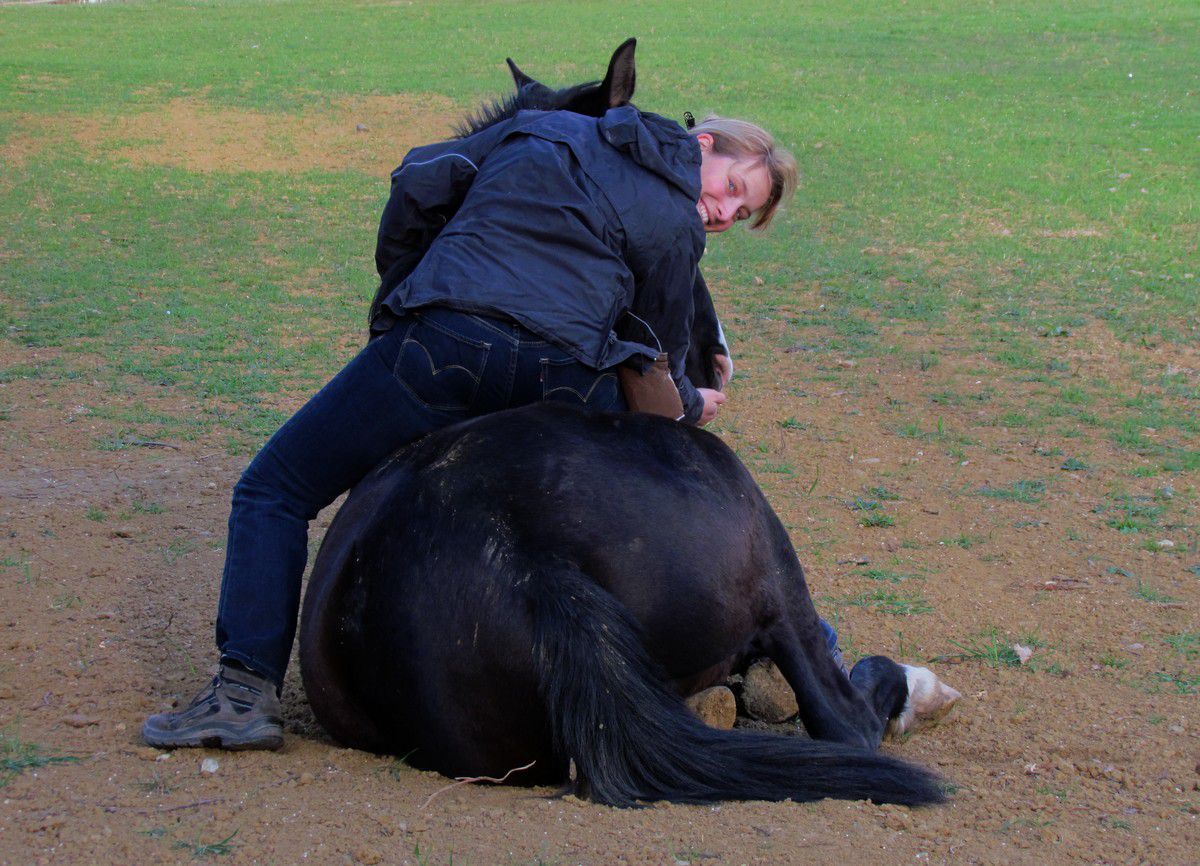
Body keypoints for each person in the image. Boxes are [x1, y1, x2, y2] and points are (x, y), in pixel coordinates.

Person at [142, 107, 799, 750]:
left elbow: (419, 181)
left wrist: (401, 295)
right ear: (703, 145)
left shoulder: (544, 126)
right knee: (670, 483)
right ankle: (790, 641)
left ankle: (242, 694)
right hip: (564, 376)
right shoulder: (674, 225)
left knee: (275, 489)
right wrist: (688, 406)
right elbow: (657, 344)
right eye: (732, 188)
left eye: (739, 213)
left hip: (443, 348)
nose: (723, 212)